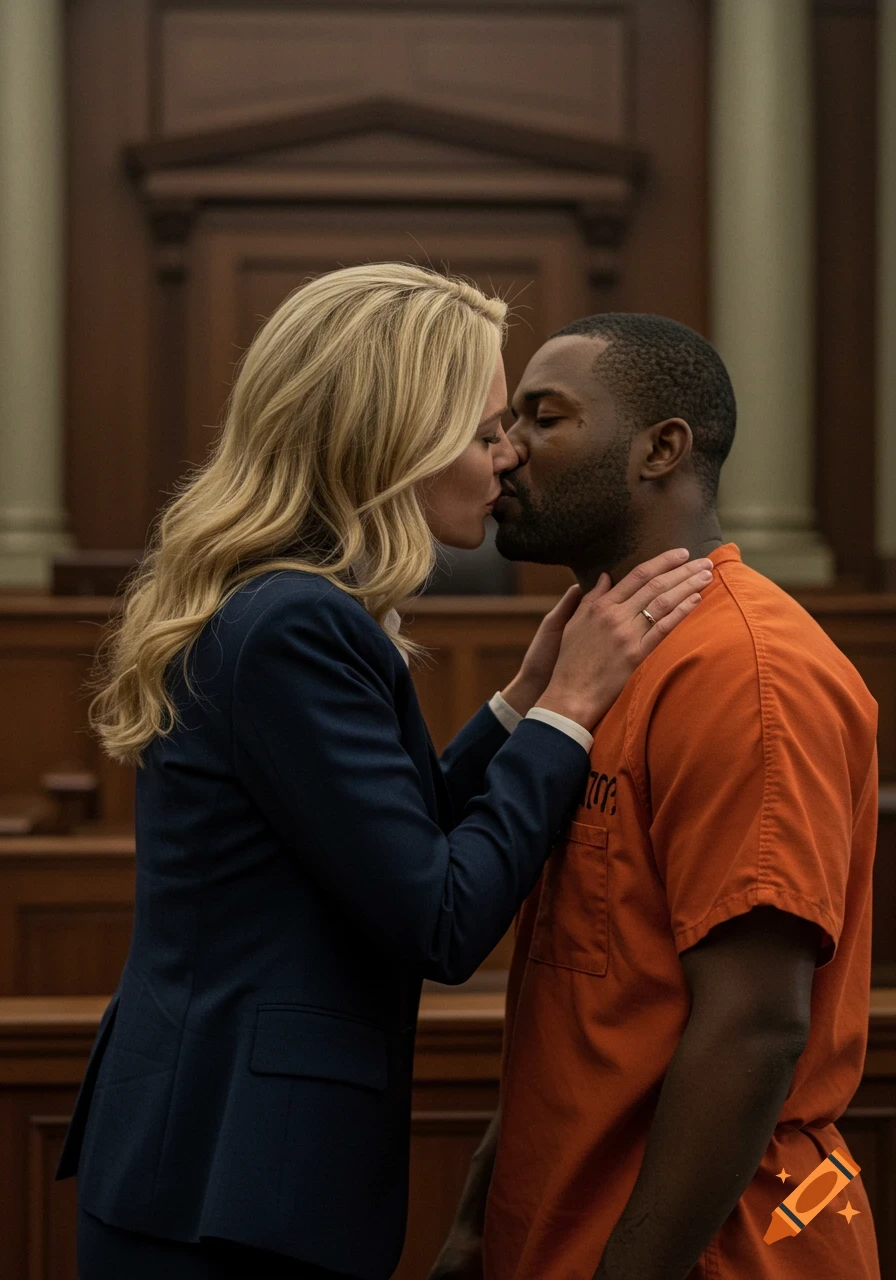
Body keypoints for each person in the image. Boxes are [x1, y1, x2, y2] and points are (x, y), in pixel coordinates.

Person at [55, 267, 711, 1280]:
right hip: (232, 1185)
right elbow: (438, 915)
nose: (506, 458)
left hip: (210, 1161)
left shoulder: (283, 602)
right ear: (389, 435)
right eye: (485, 427)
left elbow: (371, 844)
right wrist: (565, 712)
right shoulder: (297, 621)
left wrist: (513, 705)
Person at [430, 313, 881, 1280]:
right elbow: (588, 994)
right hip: (556, 1228)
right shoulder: (613, 655)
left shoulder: (746, 670)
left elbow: (756, 1027)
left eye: (541, 420)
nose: (503, 454)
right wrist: (476, 1222)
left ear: (660, 449)